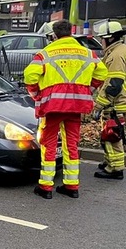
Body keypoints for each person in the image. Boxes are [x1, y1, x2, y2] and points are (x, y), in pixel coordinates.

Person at [24, 19, 107, 199]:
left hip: (53, 106)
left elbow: (30, 76)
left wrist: (37, 94)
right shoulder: (87, 52)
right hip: (76, 106)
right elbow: (102, 73)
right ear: (71, 32)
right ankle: (71, 186)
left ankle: (46, 187)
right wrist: (88, 90)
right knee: (72, 145)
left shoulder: (45, 53)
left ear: (54, 35)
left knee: (49, 144)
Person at [91, 20, 126, 180]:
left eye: (102, 38)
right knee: (109, 134)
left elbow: (114, 85)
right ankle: (109, 162)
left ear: (110, 38)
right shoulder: (118, 51)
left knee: (112, 136)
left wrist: (99, 105)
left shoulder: (116, 56)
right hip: (117, 103)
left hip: (116, 104)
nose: (101, 42)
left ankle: (115, 169)